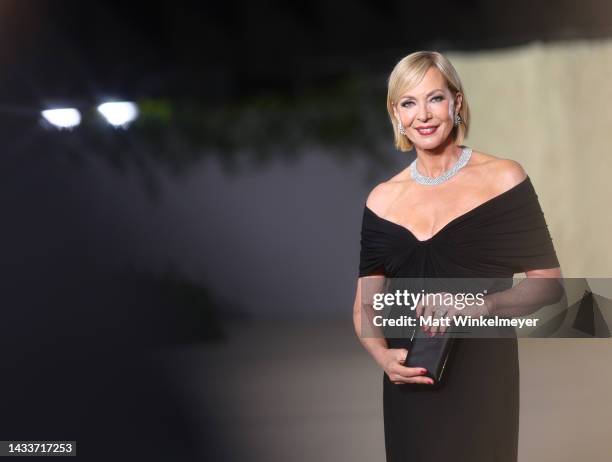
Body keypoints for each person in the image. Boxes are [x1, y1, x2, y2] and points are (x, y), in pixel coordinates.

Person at [352, 51, 562, 462]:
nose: (423, 115)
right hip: (410, 381)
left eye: (435, 98)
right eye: (409, 103)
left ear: (457, 103)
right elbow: (365, 304)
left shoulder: (503, 179)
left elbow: (548, 284)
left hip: (483, 374)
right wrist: (380, 355)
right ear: (396, 113)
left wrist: (480, 304)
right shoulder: (381, 200)